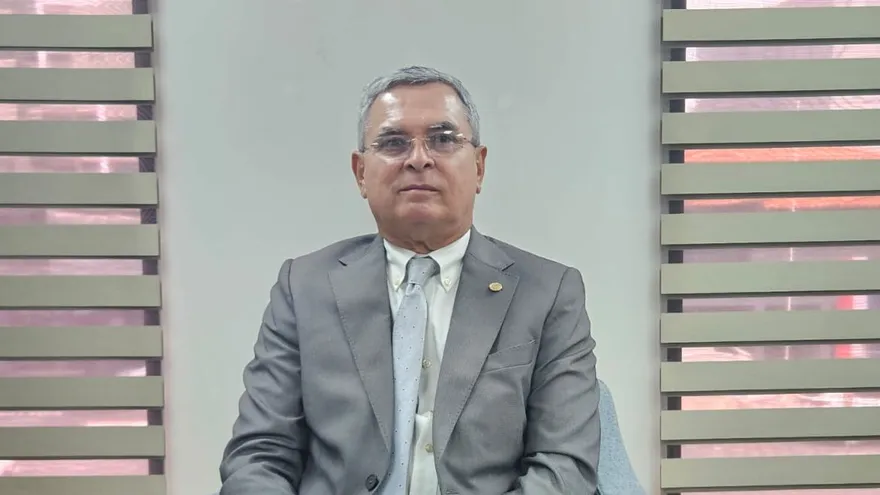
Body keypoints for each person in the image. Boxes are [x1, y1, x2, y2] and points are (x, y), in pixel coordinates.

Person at [219, 66, 600, 495]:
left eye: (443, 139)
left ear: (479, 167)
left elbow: (564, 467)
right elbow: (259, 455)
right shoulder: (305, 288)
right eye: (393, 143)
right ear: (361, 173)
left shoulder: (547, 293)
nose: (419, 158)